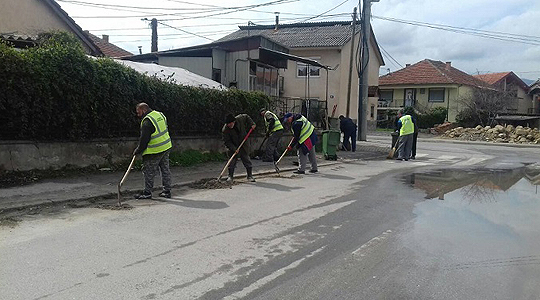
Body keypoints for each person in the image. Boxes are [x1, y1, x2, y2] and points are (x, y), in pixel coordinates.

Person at [133, 103, 173, 199]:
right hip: (166, 146)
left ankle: (147, 193)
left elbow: (144, 141)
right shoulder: (159, 114)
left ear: (143, 110)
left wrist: (138, 150)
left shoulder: (147, 122)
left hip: (154, 150)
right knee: (165, 170)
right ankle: (167, 191)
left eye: (138, 113)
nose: (138, 115)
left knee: (149, 171)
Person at [222, 113, 256, 182]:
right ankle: (230, 176)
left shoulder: (240, 118)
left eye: (230, 123)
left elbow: (247, 116)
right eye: (228, 124)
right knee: (232, 161)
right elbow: (227, 141)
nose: (229, 125)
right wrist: (234, 149)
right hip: (233, 144)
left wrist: (252, 123)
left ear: (233, 122)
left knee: (246, 158)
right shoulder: (225, 130)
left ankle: (249, 176)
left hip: (243, 142)